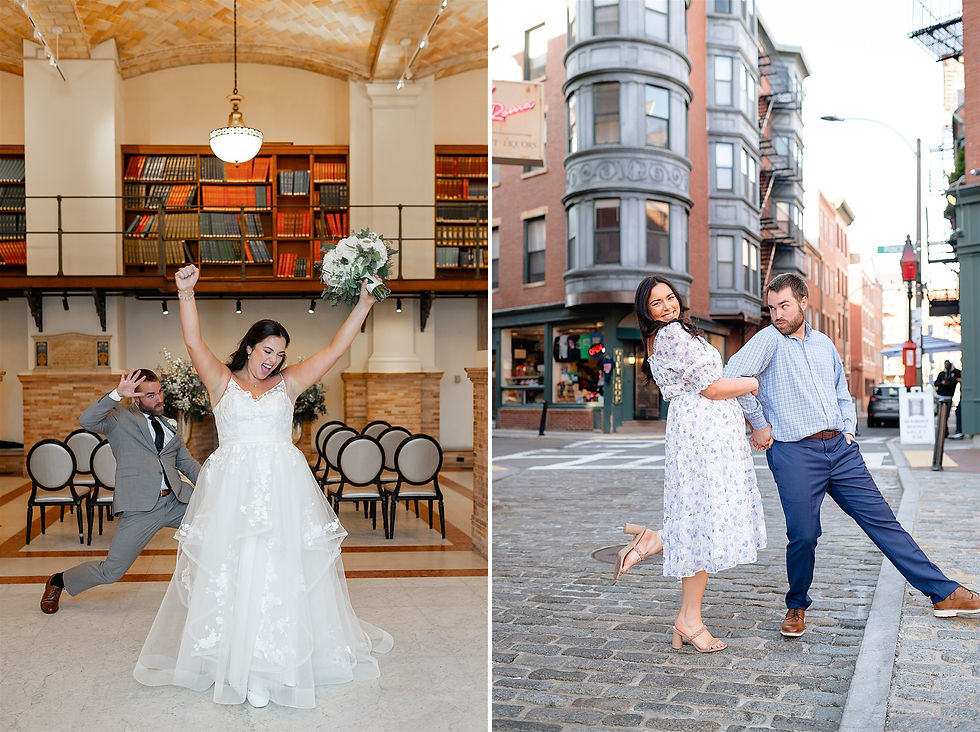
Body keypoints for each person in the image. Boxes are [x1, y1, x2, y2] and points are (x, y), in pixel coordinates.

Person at [133, 264, 393, 708]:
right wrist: (186, 294)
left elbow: (335, 348)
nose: (272, 359)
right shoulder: (220, 382)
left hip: (281, 490)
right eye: (267, 350)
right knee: (231, 569)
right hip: (231, 489)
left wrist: (364, 303)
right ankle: (233, 663)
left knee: (277, 570)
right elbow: (194, 343)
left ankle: (275, 663)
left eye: (279, 353)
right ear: (250, 347)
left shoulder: (288, 385)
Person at [724, 272, 980, 638]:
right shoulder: (768, 340)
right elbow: (733, 375)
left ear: (802, 302)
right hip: (795, 452)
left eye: (784, 306)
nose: (777, 314)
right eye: (771, 307)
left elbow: (841, 392)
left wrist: (848, 429)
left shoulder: (824, 344)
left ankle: (943, 593)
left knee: (884, 522)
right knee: (804, 534)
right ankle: (796, 605)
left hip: (840, 452)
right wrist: (759, 423)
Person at [613, 275, 767, 654]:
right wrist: (753, 384)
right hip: (703, 437)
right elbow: (712, 388)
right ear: (646, 311)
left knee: (702, 522)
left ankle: (682, 602)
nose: (666, 306)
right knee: (702, 525)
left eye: (669, 298)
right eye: (656, 303)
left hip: (703, 434)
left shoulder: (672, 333)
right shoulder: (670, 336)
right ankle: (685, 607)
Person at [39, 370, 202, 614]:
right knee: (112, 571)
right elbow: (87, 420)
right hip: (140, 508)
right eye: (150, 395)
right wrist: (116, 395)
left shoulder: (170, 426)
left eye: (159, 392)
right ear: (136, 398)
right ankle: (58, 581)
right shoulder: (119, 418)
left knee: (213, 528)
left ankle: (211, 592)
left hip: (177, 501)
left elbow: (187, 464)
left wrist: (215, 487)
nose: (159, 399)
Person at [934, 359, 962, 438]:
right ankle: (943, 432)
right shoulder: (942, 374)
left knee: (946, 415)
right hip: (940, 396)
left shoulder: (955, 373)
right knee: (941, 415)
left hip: (949, 397)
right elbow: (936, 383)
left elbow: (960, 378)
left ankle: (944, 432)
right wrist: (942, 383)